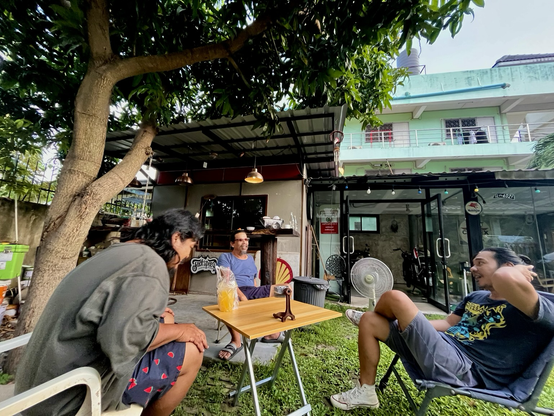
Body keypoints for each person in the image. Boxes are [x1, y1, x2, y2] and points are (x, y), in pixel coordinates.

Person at [15, 209, 209, 416]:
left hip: (36, 386)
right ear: (176, 238)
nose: (188, 256)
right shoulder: (150, 265)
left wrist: (161, 320)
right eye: (191, 246)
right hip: (68, 397)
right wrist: (180, 331)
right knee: (192, 352)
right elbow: (126, 343)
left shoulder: (117, 252)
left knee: (167, 319)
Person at [330, 247, 554, 411]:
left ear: (507, 267)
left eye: (480, 262)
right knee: (370, 320)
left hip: (463, 369)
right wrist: (409, 326)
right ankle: (366, 391)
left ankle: (386, 312)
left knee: (395, 298)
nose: (473, 268)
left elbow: (505, 278)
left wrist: (518, 270)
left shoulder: (533, 307)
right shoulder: (475, 296)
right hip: (441, 347)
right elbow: (447, 324)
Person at [216, 229, 286, 360]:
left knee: (284, 289)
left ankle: (272, 333)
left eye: (246, 239)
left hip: (251, 290)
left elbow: (253, 280)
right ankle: (236, 342)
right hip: (234, 290)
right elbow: (227, 280)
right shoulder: (225, 257)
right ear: (232, 243)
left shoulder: (250, 259)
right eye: (240, 240)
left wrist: (256, 299)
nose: (245, 242)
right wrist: (242, 297)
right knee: (228, 298)